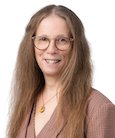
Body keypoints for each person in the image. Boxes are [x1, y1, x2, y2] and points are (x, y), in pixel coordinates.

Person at [7, 4, 115, 138]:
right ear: (32, 45)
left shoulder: (98, 107)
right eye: (43, 39)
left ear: (76, 47)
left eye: (62, 40)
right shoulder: (26, 101)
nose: (51, 49)